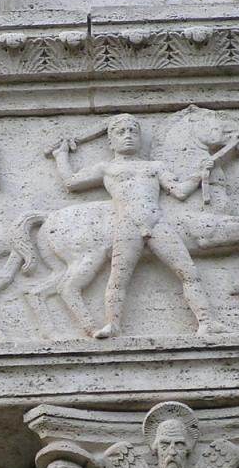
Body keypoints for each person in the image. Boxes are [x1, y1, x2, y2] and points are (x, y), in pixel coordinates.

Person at [52, 114, 219, 338]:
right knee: (118, 279)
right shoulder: (106, 168)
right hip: (127, 225)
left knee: (189, 272)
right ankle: (113, 324)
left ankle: (206, 322)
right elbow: (71, 182)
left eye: (133, 131)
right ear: (110, 141)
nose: (128, 136)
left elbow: (179, 191)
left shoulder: (155, 166)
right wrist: (61, 155)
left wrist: (199, 174)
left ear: (140, 137)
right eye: (120, 132)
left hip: (157, 223)